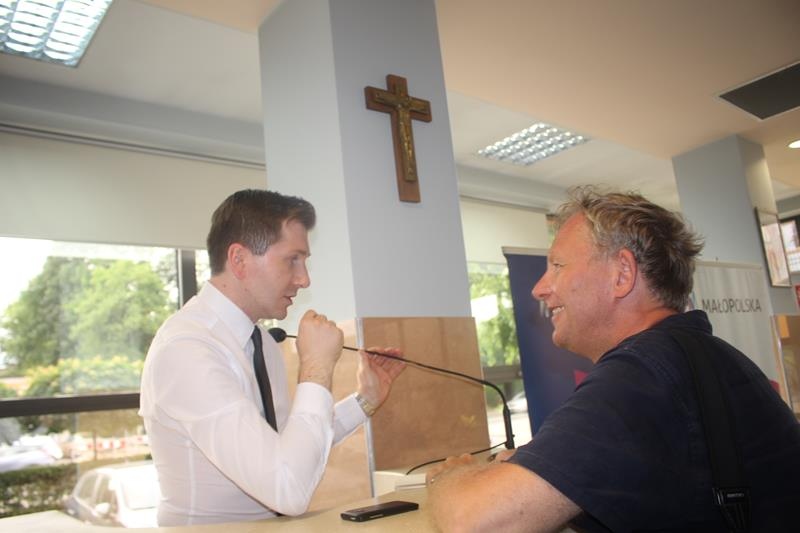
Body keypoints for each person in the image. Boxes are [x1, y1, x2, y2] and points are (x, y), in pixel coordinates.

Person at [427, 187, 800, 532]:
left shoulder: (640, 374)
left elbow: (474, 522)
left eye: (557, 266)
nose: (539, 288)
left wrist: (451, 476)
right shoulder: (702, 356)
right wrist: (542, 468)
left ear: (622, 274)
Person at [139, 189, 405, 526]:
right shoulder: (187, 350)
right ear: (239, 260)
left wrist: (365, 401)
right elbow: (287, 488)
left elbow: (291, 448)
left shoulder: (261, 341)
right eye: (292, 259)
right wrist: (317, 367)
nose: (304, 279)